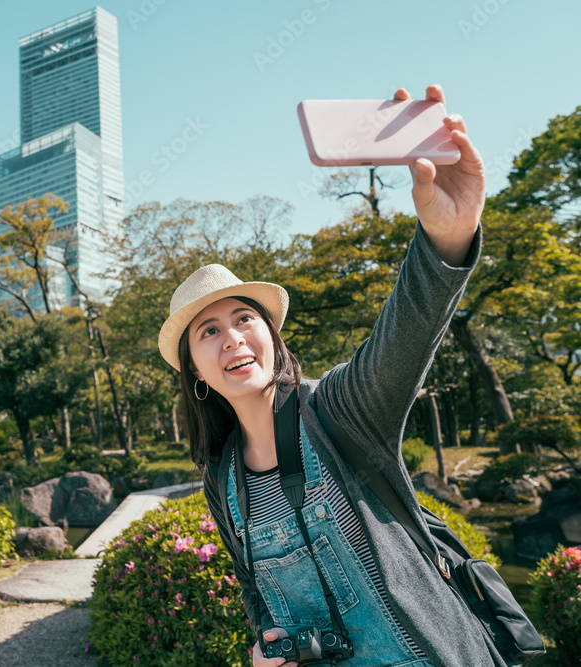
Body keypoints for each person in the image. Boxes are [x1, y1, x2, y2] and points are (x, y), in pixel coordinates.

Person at [156, 85, 511, 666]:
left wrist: (447, 236)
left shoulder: (338, 411)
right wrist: (263, 646)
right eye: (209, 331)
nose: (233, 338)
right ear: (196, 371)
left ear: (272, 338)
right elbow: (256, 590)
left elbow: (408, 332)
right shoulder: (223, 480)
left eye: (245, 318)